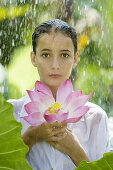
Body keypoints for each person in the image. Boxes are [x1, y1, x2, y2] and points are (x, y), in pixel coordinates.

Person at [7, 19, 110, 170]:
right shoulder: (11, 113)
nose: (55, 65)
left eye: (64, 55)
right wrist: (30, 137)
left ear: (75, 59)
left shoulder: (95, 118)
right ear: (33, 58)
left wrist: (75, 150)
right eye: (46, 54)